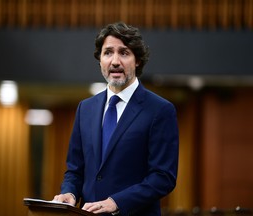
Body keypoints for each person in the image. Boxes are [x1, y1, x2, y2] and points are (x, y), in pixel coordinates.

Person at [53, 22, 179, 216]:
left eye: (124, 53)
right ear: (100, 60)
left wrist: (116, 202)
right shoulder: (85, 109)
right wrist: (69, 192)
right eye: (108, 52)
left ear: (137, 60)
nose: (115, 61)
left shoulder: (160, 110)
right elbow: (75, 170)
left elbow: (163, 178)